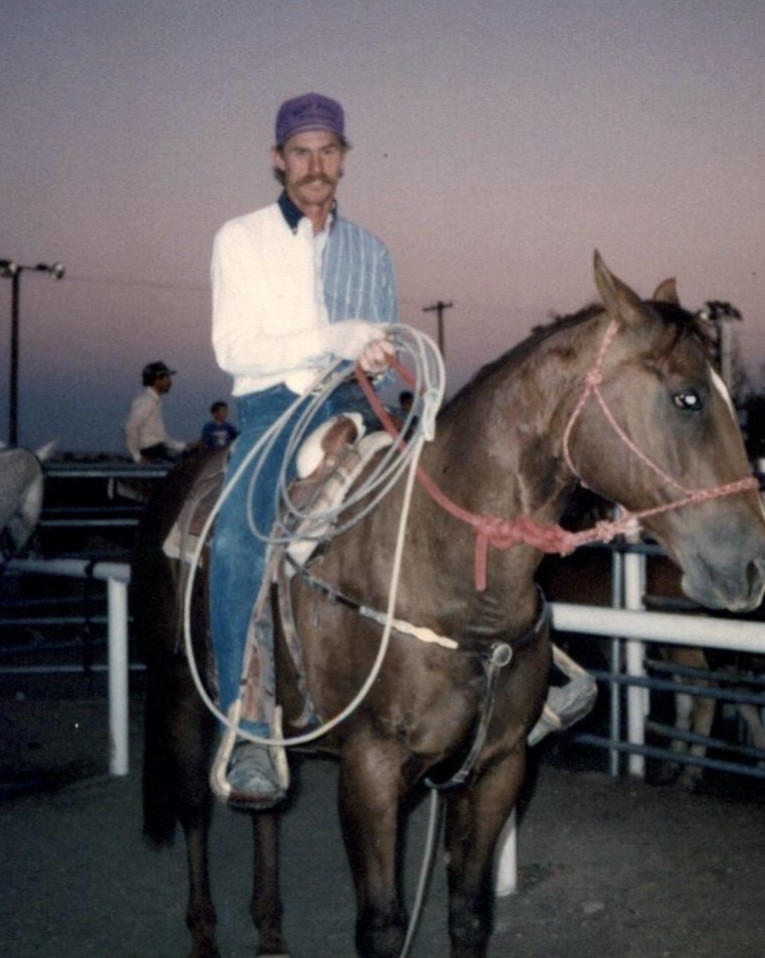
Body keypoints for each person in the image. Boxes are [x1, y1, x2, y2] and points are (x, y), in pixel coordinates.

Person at [209, 92, 397, 806]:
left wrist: (374, 352)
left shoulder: (370, 250)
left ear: (343, 159)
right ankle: (248, 725)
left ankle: (523, 673)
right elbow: (233, 347)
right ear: (277, 160)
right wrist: (333, 336)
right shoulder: (242, 237)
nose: (314, 166)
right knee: (236, 541)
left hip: (354, 402)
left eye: (327, 151)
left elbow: (371, 347)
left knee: (451, 487)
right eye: (300, 152)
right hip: (273, 404)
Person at [124, 361, 189, 463]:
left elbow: (159, 437)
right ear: (157, 379)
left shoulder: (154, 401)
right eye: (167, 377)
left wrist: (184, 446)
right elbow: (131, 428)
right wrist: (137, 457)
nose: (170, 382)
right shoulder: (146, 401)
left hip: (156, 451)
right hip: (150, 453)